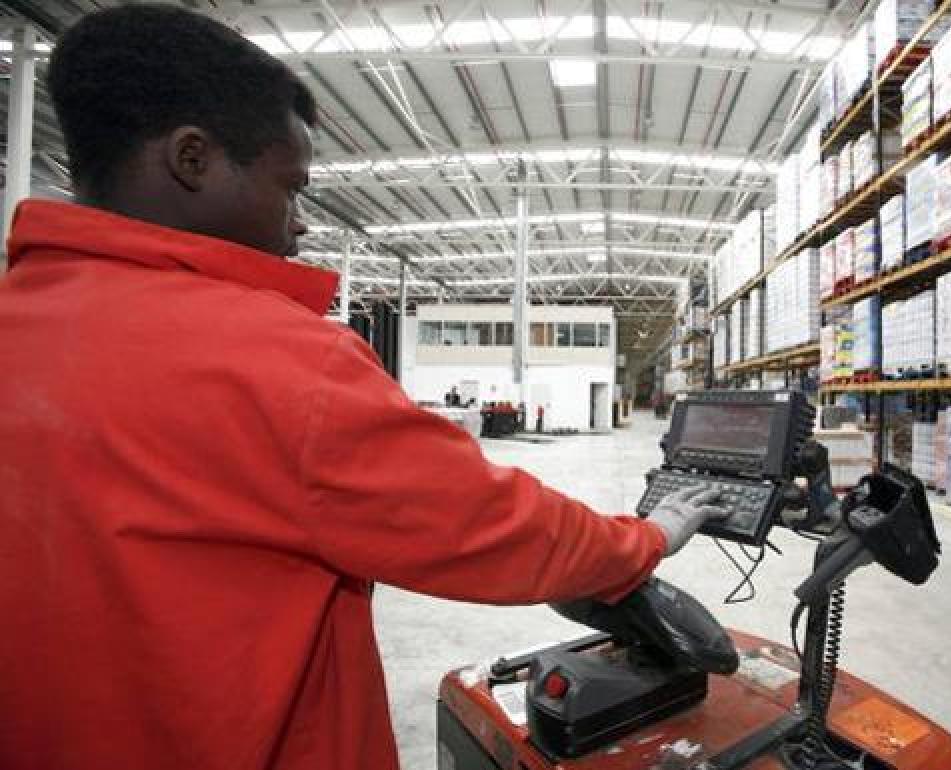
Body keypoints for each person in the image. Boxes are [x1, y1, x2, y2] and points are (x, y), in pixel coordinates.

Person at [0, 7, 727, 770]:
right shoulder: (279, 359)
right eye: (290, 188)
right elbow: (488, 523)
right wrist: (643, 540)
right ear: (193, 159)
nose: (300, 224)